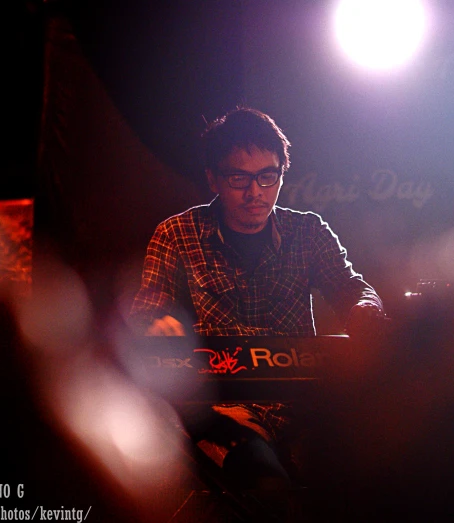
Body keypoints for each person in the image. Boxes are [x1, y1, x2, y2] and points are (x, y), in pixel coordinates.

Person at [128, 105, 386, 519]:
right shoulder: (177, 235)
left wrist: (366, 309)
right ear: (212, 178)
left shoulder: (308, 231)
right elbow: (148, 314)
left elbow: (352, 288)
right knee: (268, 489)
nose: (256, 193)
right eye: (239, 179)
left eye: (269, 177)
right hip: (224, 409)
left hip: (308, 404)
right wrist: (160, 327)